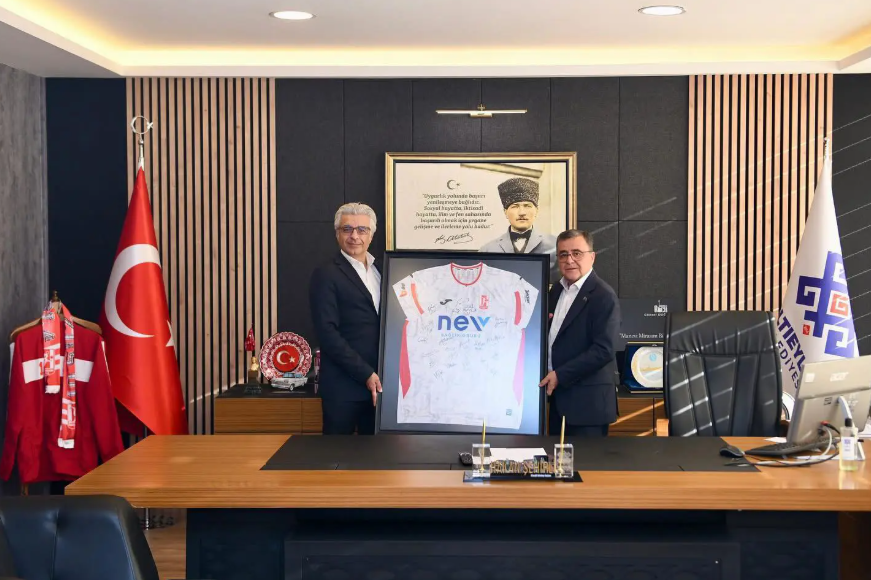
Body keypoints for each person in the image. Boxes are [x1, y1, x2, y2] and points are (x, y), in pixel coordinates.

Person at [309, 203, 383, 434]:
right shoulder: (326, 274)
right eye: (347, 229)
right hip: (343, 390)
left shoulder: (381, 271)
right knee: (337, 455)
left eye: (362, 230)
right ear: (337, 234)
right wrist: (366, 373)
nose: (354, 236)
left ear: (371, 235)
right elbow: (327, 334)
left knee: (378, 454)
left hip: (379, 387)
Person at [539, 229, 620, 437]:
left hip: (587, 407)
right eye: (563, 254)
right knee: (557, 457)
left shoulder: (603, 296)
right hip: (558, 401)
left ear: (592, 257)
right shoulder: (556, 290)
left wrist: (560, 375)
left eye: (577, 253)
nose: (569, 260)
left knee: (585, 460)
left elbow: (604, 350)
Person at [479, 177, 559, 281]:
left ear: (536, 211)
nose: (522, 212)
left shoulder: (555, 245)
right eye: (515, 206)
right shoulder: (487, 250)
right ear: (505, 212)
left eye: (527, 206)